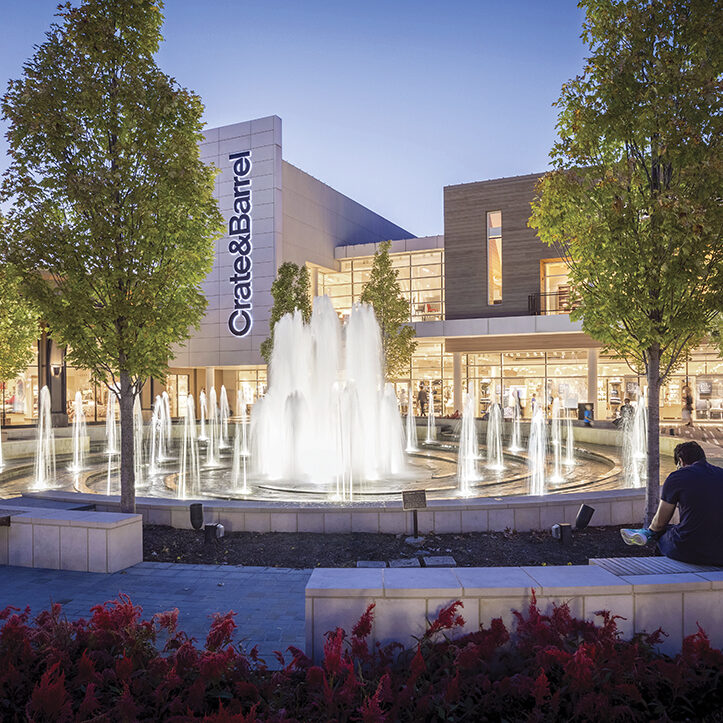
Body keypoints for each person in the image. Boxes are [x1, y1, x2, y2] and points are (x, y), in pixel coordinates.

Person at [620, 441, 723, 565]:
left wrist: (653, 531)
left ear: (680, 460)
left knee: (662, 532)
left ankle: (648, 538)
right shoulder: (720, 473)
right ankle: (645, 533)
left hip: (691, 550)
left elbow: (660, 522)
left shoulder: (677, 477)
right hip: (720, 552)